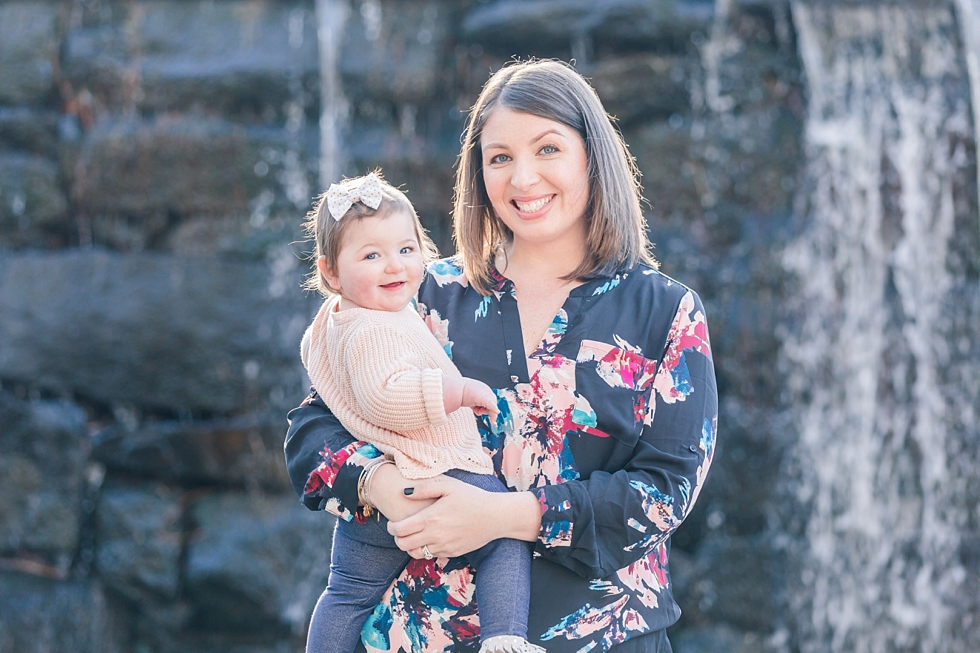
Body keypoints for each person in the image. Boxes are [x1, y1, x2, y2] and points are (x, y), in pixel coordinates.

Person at [285, 59, 718, 653]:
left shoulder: (666, 313)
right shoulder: (418, 294)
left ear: (592, 156)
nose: (523, 179)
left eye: (547, 149)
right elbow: (315, 430)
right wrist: (383, 487)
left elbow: (663, 494)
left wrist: (505, 517)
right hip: (422, 637)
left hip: (603, 638)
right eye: (500, 158)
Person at [299, 171, 543, 653]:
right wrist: (454, 391)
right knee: (504, 536)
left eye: (407, 250)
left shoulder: (336, 318)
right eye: (371, 256)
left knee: (345, 594)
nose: (394, 267)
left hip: (376, 496)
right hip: (432, 473)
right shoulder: (376, 327)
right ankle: (504, 638)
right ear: (330, 273)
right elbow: (384, 397)